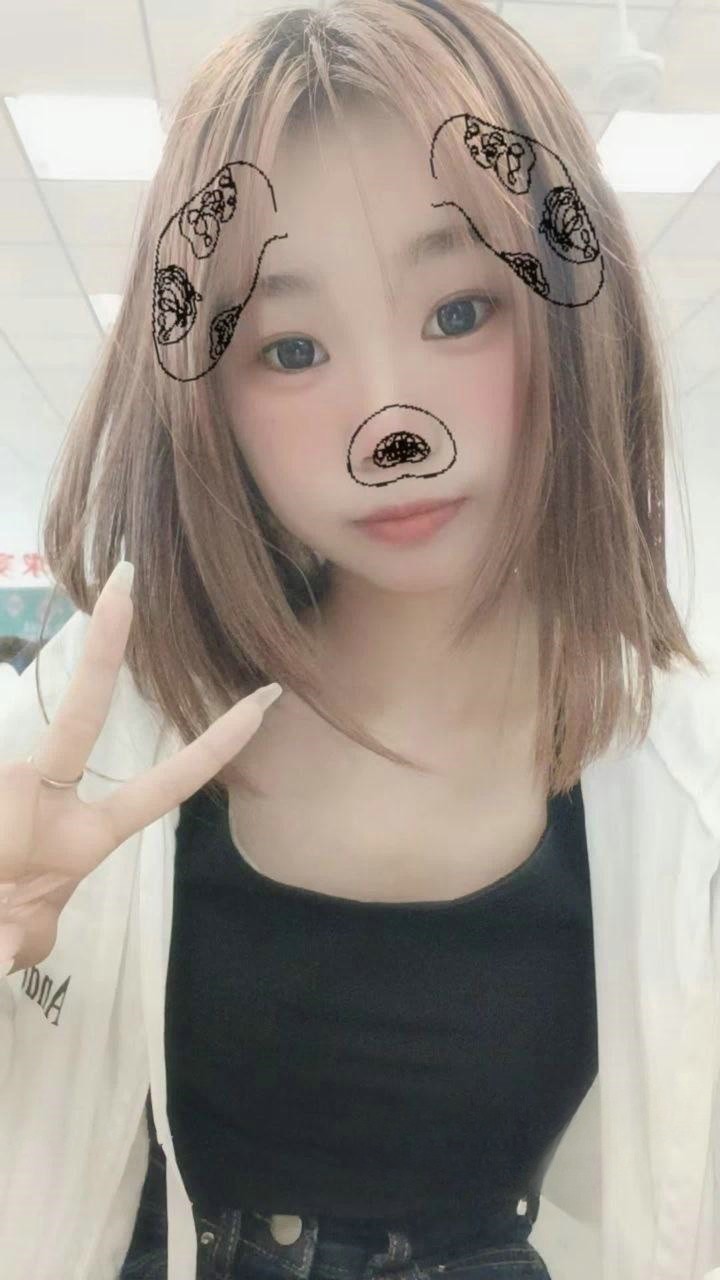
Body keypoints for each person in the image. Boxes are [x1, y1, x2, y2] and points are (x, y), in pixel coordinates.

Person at [0, 1, 718, 1278]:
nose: (390, 425)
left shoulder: (684, 773)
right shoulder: (91, 724)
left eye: (461, 310)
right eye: (291, 347)